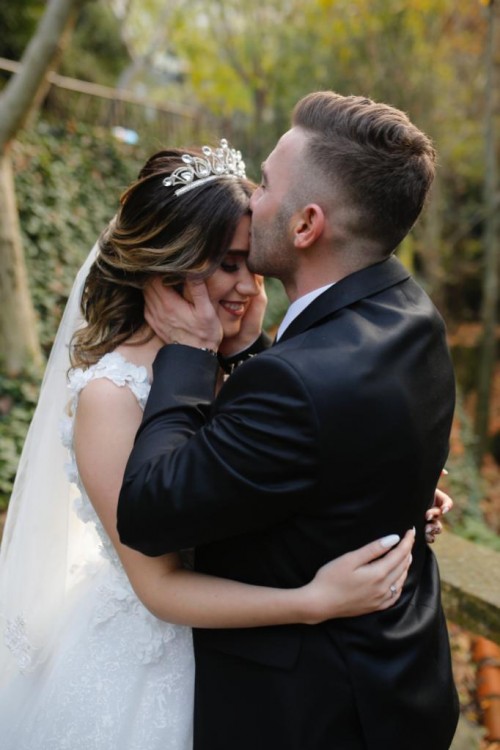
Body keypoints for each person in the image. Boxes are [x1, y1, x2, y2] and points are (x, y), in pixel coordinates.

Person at [0, 143, 427, 750]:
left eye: (250, 263)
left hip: (247, 669)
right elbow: (159, 588)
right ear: (169, 269)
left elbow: (282, 471)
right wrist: (312, 601)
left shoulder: (246, 363)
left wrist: (384, 489)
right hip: (151, 670)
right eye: (227, 264)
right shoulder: (112, 396)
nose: (249, 284)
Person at [118, 94, 460, 750]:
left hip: (310, 717)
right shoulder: (412, 311)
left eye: (266, 185)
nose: (251, 201)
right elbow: (331, 432)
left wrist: (191, 356)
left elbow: (149, 513)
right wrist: (398, 490)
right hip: (407, 686)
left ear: (306, 225)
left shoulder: (296, 382)